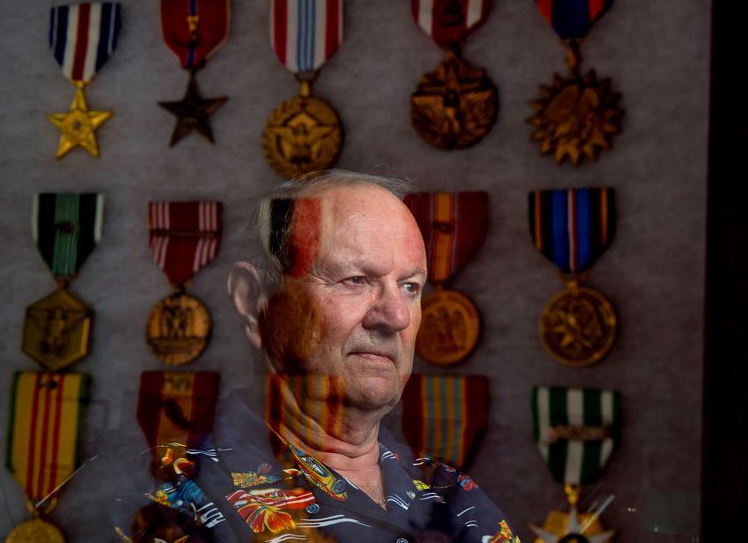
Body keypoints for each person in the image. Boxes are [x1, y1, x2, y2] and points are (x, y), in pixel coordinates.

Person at [124, 171, 518, 542]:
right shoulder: (165, 498)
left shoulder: (455, 493)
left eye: (410, 287)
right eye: (356, 280)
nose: (396, 317)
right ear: (252, 302)